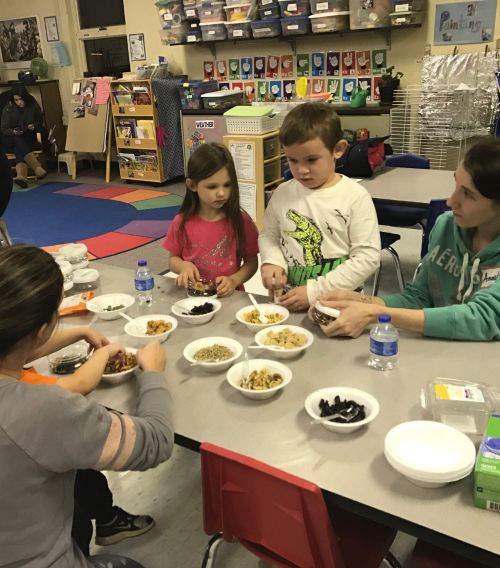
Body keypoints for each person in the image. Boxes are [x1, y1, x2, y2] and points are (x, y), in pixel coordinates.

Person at [0, 244, 174, 567]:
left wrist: (77, 332)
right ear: (42, 329)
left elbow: (16, 345)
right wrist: (152, 373)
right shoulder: (41, 409)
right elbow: (157, 441)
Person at [312, 138, 500, 341]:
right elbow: (418, 298)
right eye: (456, 184)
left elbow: (483, 318)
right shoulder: (447, 226)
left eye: (468, 194)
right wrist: (361, 301)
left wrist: (372, 313)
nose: (451, 201)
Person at [20, 326, 156, 555]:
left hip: (40, 463)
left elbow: (24, 347)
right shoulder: (18, 391)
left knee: (80, 471)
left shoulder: (9, 355)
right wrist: (107, 355)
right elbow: (78, 385)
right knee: (77, 525)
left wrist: (79, 332)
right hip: (34, 526)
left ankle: (107, 519)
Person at [259, 102, 380, 311]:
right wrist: (272, 262)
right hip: (290, 299)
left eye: (312, 160)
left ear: (338, 150)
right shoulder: (282, 194)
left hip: (338, 303)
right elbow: (268, 235)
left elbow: (367, 258)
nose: (301, 170)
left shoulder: (355, 197)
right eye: (292, 160)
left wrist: (314, 291)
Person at [163, 142, 259, 297]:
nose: (221, 193)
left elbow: (252, 262)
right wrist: (184, 267)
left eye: (227, 185)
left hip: (230, 297)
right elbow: (173, 259)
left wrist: (234, 280)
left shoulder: (241, 221)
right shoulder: (181, 222)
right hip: (193, 297)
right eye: (212, 187)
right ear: (192, 185)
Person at [0, 86, 46, 188]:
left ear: (25, 98)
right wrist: (13, 131)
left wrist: (33, 126)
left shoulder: (33, 106)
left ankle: (21, 176)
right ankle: (37, 167)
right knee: (17, 140)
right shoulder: (9, 108)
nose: (19, 102)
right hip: (9, 138)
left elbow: (39, 123)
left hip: (27, 136)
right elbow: (4, 129)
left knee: (19, 145)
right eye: (16, 100)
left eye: (21, 99)